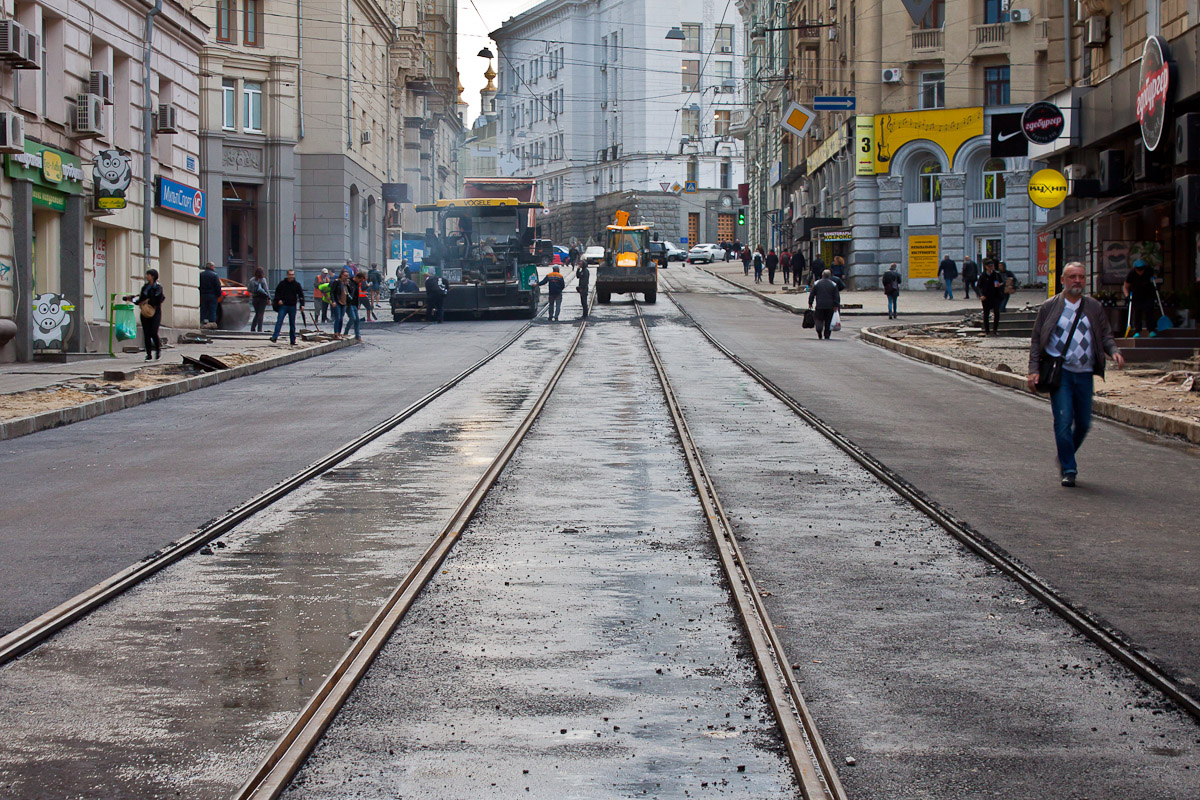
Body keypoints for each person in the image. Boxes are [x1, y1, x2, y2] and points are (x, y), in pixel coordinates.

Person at [1027, 262, 1124, 487]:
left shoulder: (1093, 307)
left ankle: (1065, 453)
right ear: (1063, 280)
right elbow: (1036, 340)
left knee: (1083, 423)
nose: (1077, 281)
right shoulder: (1049, 307)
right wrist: (1033, 370)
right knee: (1063, 422)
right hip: (1060, 375)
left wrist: (1114, 352)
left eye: (1081, 276)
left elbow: (1106, 335)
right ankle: (1069, 468)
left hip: (1084, 374)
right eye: (1072, 276)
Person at [129, 269, 165, 360]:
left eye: (148, 275)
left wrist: (149, 300)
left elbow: (158, 299)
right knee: (146, 333)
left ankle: (158, 350)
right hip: (145, 313)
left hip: (155, 312)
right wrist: (132, 300)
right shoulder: (145, 287)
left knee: (153, 332)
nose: (146, 276)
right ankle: (148, 354)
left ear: (153, 276)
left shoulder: (158, 287)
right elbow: (140, 300)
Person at [1122, 258, 1159, 337]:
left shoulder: (1148, 271)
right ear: (1135, 269)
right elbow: (1125, 286)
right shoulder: (1131, 274)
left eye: (1142, 269)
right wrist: (1127, 296)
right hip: (1136, 295)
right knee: (1137, 313)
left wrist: (1154, 279)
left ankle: (1151, 330)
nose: (1140, 271)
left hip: (1148, 294)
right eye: (1138, 269)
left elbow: (1155, 277)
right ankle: (1137, 331)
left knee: (1149, 311)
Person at [270, 269, 305, 345]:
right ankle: (274, 337)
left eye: (292, 275)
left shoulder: (297, 285)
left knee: (292, 324)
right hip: (284, 305)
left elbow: (301, 295)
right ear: (287, 275)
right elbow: (277, 293)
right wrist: (278, 300)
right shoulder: (282, 284)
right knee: (279, 321)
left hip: (292, 306)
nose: (291, 276)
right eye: (290, 274)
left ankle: (292, 340)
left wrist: (302, 304)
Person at [808, 269, 841, 340]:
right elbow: (836, 296)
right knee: (828, 321)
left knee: (819, 319)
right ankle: (827, 335)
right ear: (830, 276)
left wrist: (810, 303)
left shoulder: (817, 283)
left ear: (822, 275)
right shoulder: (833, 284)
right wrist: (836, 305)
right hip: (830, 306)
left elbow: (812, 294)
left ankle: (819, 331)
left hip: (819, 306)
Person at [977, 258, 1005, 335]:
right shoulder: (983, 275)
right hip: (986, 297)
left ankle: (995, 330)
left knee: (996, 312)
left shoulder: (996, 274)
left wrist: (1000, 285)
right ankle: (987, 331)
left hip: (996, 296)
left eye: (992, 266)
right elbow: (978, 286)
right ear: (986, 267)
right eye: (989, 266)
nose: (991, 268)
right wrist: (981, 295)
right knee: (986, 314)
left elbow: (1002, 282)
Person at [199, 261, 222, 329]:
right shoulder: (214, 275)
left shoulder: (201, 275)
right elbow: (218, 286)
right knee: (212, 310)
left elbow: (199, 285)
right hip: (213, 295)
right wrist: (219, 294)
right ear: (212, 267)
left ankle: (202, 322)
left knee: (203, 309)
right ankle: (212, 324)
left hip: (203, 295)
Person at [248, 267, 271, 333]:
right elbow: (266, 290)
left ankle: (253, 328)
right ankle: (259, 329)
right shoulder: (263, 280)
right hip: (262, 299)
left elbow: (249, 289)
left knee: (257, 313)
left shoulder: (251, 280)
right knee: (261, 314)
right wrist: (269, 298)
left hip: (255, 299)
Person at [328, 268, 349, 335]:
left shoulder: (345, 283)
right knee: (338, 317)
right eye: (345, 276)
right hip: (337, 302)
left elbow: (347, 293)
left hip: (344, 302)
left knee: (341, 318)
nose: (346, 277)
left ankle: (339, 332)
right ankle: (336, 333)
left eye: (347, 276)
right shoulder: (337, 281)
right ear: (341, 275)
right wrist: (333, 301)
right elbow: (332, 292)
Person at [345, 270, 365, 339]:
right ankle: (346, 332)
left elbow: (357, 294)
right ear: (357, 277)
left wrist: (358, 303)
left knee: (357, 320)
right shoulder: (349, 282)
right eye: (360, 280)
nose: (360, 282)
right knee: (352, 318)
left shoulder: (356, 284)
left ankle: (357, 335)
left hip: (355, 304)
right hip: (349, 304)